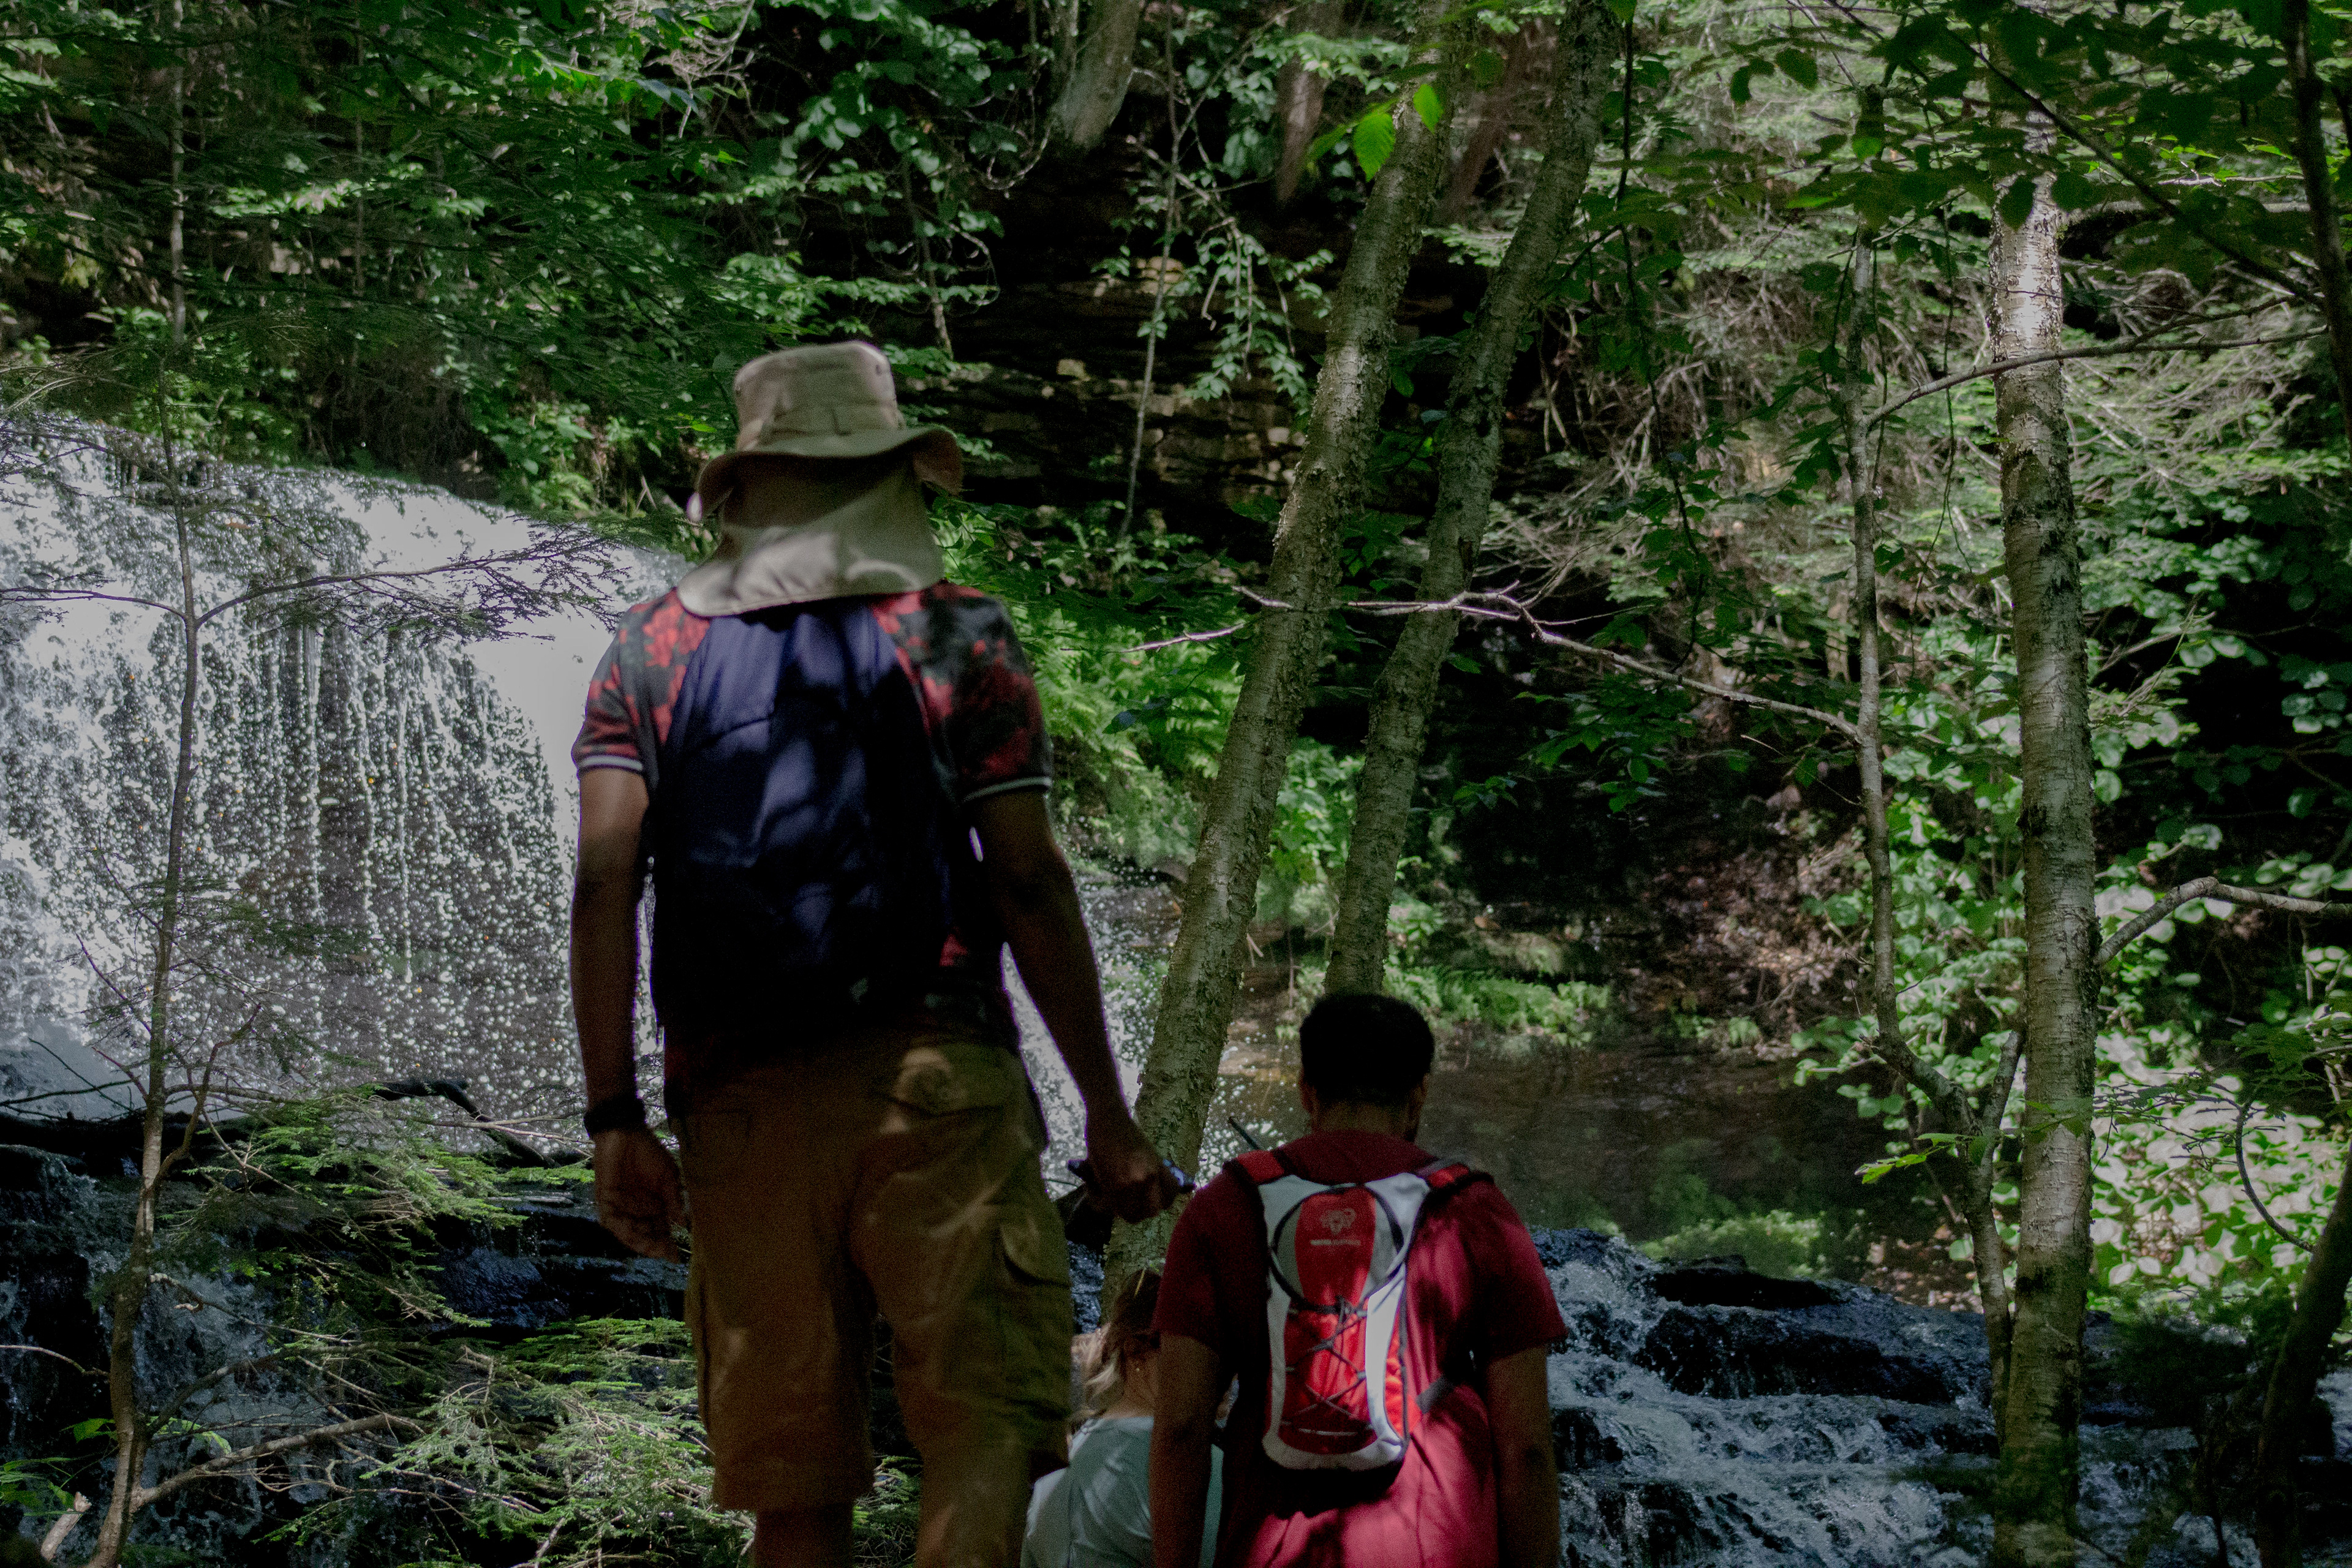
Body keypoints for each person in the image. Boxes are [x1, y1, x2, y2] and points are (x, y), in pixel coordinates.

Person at [568, 340, 1183, 1568]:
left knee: (793, 1483)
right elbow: (1027, 876)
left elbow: (603, 883)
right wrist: (1108, 1116)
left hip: (739, 1105)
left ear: (747, 489)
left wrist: (614, 1116)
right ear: (894, 477)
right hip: (936, 1084)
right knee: (987, 1426)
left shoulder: (649, 650)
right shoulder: (956, 634)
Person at [1147, 993, 1565, 1568]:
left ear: (1306, 1091)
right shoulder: (1472, 1211)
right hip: (1436, 1548)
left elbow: (1180, 1428)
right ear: (1418, 1095)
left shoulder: (1226, 1206)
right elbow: (1528, 1448)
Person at [1024, 1270, 1225, 1568]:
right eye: (1194, 1349)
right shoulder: (1188, 1463)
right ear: (1136, 1352)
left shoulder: (1058, 1466)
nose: (1219, 1369)